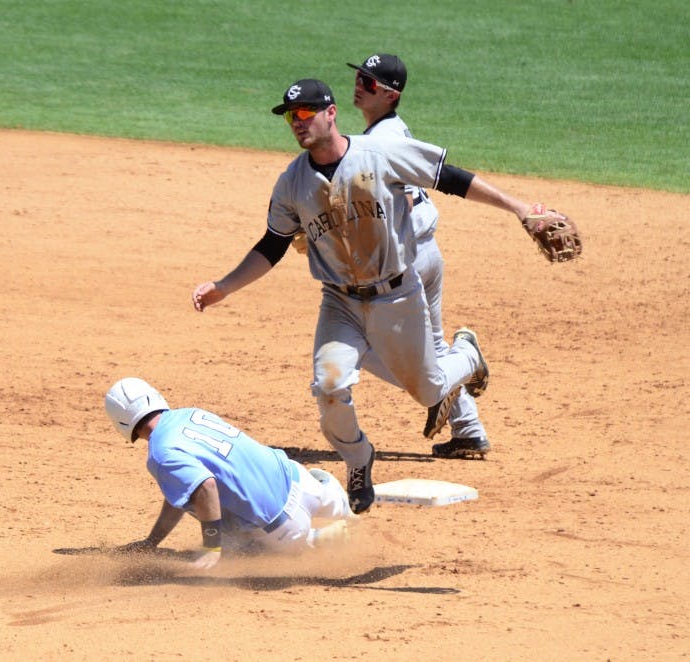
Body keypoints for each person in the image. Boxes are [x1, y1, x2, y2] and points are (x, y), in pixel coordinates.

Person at [192, 78, 547, 515]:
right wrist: (223, 287)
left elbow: (449, 179)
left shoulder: (379, 152)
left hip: (398, 297)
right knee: (329, 385)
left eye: (304, 113)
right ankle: (358, 459)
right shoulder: (292, 183)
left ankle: (468, 356)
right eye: (289, 116)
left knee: (432, 389)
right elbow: (272, 244)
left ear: (331, 112)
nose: (296, 123)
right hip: (339, 302)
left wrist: (518, 208)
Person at [348, 52, 490, 460]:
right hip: (428, 255)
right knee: (432, 347)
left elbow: (394, 207)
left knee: (361, 342)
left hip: (405, 261)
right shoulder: (393, 129)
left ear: (391, 95)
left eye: (370, 82)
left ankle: (467, 360)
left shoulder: (377, 142)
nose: (360, 84)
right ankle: (468, 430)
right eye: (359, 76)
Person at [104, 377, 355, 570]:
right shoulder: (192, 413)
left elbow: (205, 487)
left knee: (239, 548)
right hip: (298, 478)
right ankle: (346, 503)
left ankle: (315, 540)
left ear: (121, 422)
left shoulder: (160, 453)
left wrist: (212, 547)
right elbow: (181, 493)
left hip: (283, 525)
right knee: (336, 501)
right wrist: (152, 541)